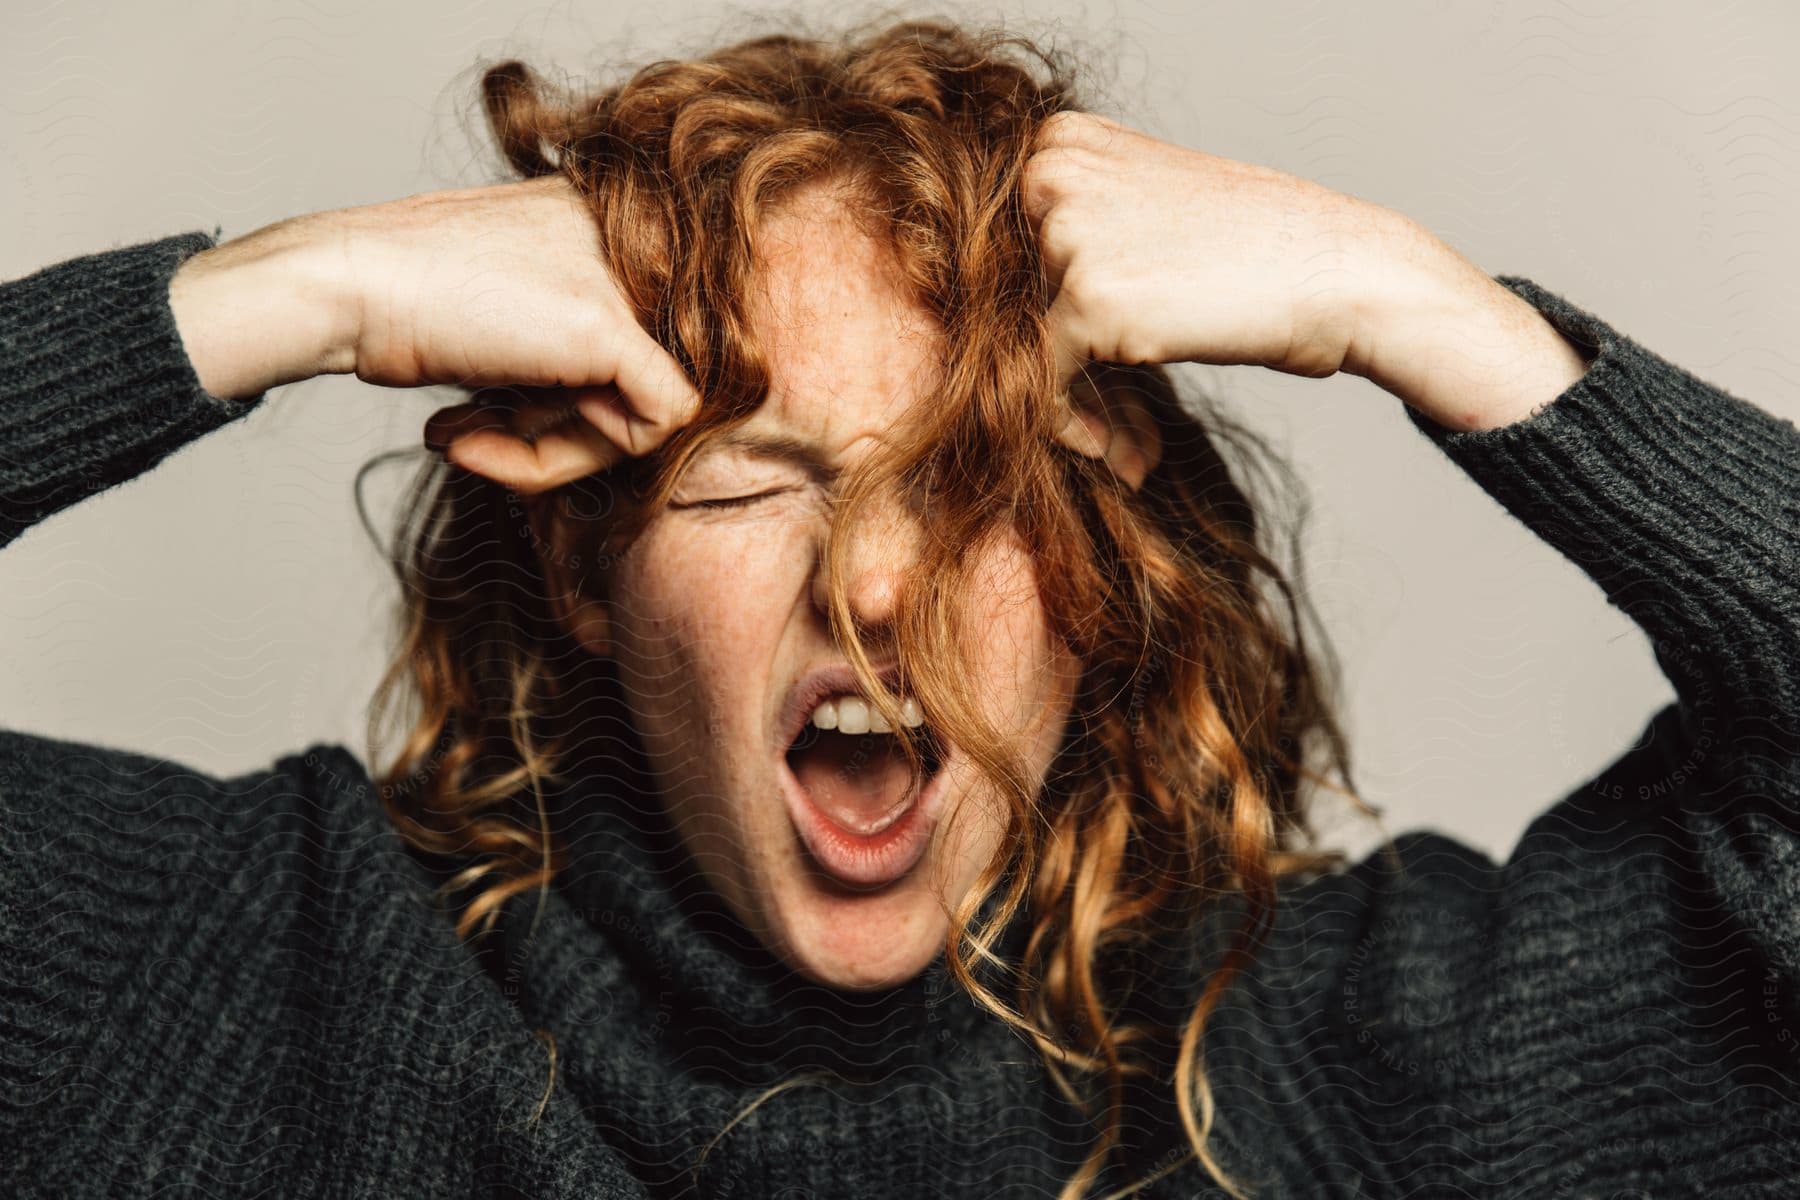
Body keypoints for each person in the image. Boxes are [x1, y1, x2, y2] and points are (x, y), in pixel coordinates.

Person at [3, 18, 1797, 1200]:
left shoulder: (1356, 1074)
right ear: (587, 573)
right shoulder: (204, 971)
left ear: (1099, 576)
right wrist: (269, 299)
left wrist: (1422, 309)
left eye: (971, 476)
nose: (871, 582)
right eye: (759, 471)